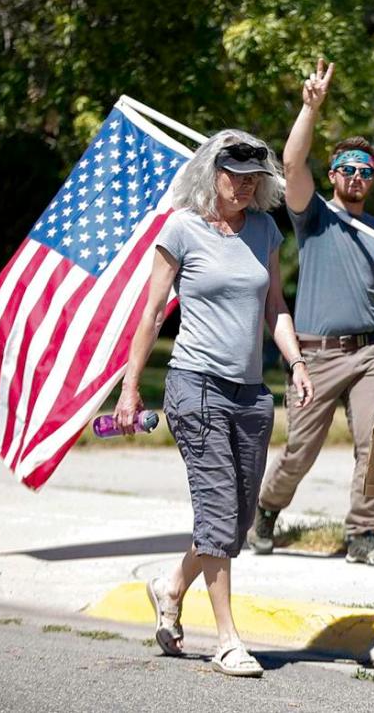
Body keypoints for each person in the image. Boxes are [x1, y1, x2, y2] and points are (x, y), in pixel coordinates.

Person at [115, 130, 314, 677]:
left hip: (251, 395)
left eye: (255, 176)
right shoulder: (181, 229)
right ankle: (228, 638)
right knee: (219, 510)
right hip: (195, 386)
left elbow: (276, 306)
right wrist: (131, 386)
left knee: (238, 519)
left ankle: (171, 585)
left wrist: (296, 363)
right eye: (236, 174)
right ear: (212, 173)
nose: (246, 184)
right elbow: (154, 311)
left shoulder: (266, 231)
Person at [248, 58, 374, 567]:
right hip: (316, 357)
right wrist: (311, 107)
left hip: (367, 353)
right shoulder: (315, 215)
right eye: (347, 169)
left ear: (373, 179)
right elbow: (291, 163)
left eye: (365, 171)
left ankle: (363, 532)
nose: (356, 177)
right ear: (333, 175)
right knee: (300, 452)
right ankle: (266, 508)